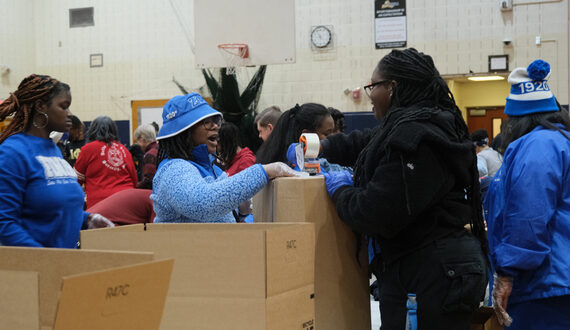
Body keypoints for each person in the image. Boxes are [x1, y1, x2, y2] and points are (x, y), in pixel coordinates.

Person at [320, 48, 488, 329]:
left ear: (393, 88)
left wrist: (339, 189)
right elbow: (365, 141)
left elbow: (374, 212)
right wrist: (321, 146)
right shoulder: (420, 123)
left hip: (433, 271)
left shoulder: (417, 137)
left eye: (373, 86)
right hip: (437, 266)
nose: (369, 94)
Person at [484, 59, 570, 329]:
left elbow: (529, 216)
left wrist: (508, 272)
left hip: (545, 284)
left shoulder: (538, 146)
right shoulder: (559, 141)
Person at [151, 93, 304, 223]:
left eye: (215, 121)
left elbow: (220, 202)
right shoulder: (173, 171)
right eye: (206, 122)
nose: (215, 126)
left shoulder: (213, 169)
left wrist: (240, 208)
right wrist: (265, 171)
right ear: (183, 131)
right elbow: (202, 203)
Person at [0, 74, 113, 248]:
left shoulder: (52, 149)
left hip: (63, 263)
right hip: (36, 269)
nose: (70, 114)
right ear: (40, 107)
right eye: (63, 107)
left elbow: (51, 206)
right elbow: (4, 222)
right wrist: (49, 261)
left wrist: (87, 218)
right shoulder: (12, 152)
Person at [74, 115, 137, 208]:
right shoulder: (124, 150)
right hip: (126, 202)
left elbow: (75, 180)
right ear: (114, 130)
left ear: (92, 130)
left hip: (99, 205)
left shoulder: (87, 149)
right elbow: (134, 179)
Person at [256, 103, 335, 165]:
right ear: (306, 135)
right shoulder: (291, 167)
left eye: (334, 132)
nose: (333, 138)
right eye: (326, 134)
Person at [86, 189, 155, 226]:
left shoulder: (150, 197)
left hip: (90, 220)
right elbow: (158, 230)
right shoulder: (156, 201)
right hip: (97, 223)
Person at [132, 124, 159, 189]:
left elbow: (149, 181)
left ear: (142, 139)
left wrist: (135, 186)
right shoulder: (159, 148)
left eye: (137, 141)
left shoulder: (150, 155)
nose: (136, 144)